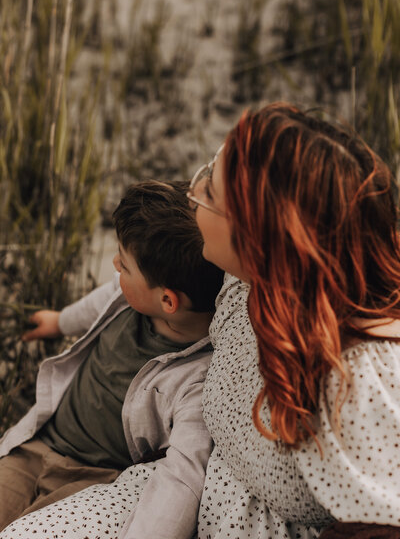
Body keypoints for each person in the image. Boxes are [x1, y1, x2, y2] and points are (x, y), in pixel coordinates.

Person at [185, 102, 400, 538]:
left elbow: (381, 527)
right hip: (189, 488)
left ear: (260, 241)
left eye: (209, 190)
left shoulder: (355, 377)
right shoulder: (246, 282)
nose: (193, 188)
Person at [0, 179, 224, 539]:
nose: (115, 263)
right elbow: (97, 302)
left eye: (125, 265)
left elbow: (182, 479)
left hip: (90, 480)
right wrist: (59, 321)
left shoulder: (196, 383)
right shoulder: (131, 299)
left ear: (168, 301)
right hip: (35, 447)